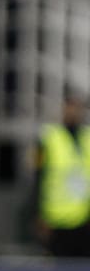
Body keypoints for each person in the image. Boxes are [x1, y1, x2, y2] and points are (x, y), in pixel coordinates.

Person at [35, 94, 90, 257]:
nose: (73, 112)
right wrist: (39, 214)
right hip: (56, 219)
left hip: (84, 218)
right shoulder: (49, 138)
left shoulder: (87, 138)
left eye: (77, 108)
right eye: (69, 107)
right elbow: (38, 178)